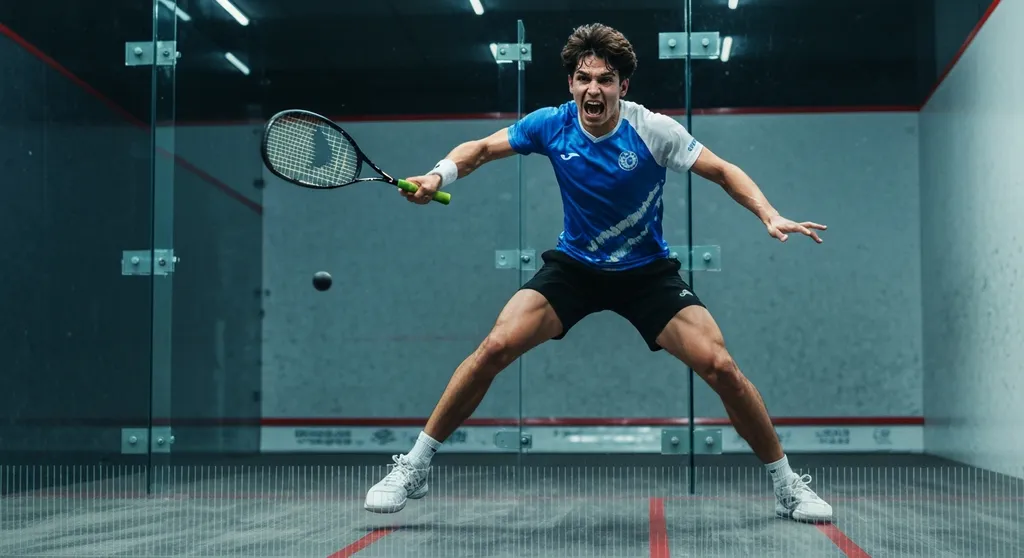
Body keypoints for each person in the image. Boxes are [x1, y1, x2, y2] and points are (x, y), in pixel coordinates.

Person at [364, 22, 833, 524]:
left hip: (646, 272)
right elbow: (478, 150)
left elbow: (722, 170)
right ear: (571, 83)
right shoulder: (551, 124)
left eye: (606, 80)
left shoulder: (654, 130)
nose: (594, 89)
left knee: (720, 367)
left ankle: (787, 485)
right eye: (584, 78)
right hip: (576, 268)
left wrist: (768, 213)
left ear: (622, 86)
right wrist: (438, 174)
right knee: (495, 346)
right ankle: (414, 466)